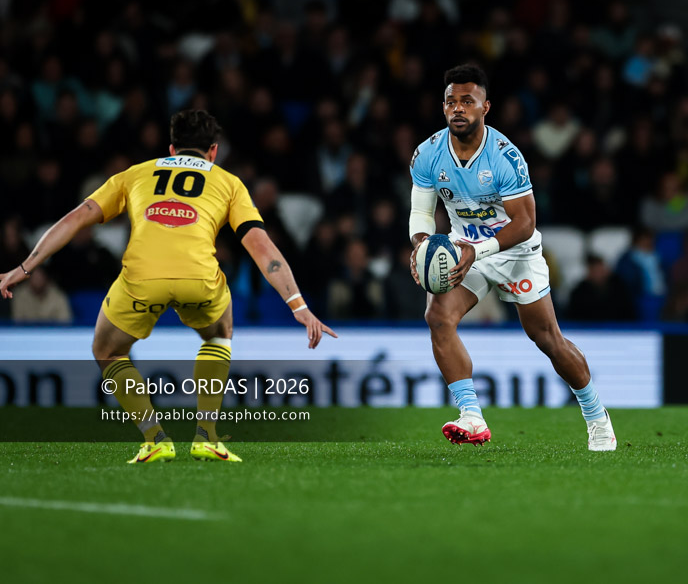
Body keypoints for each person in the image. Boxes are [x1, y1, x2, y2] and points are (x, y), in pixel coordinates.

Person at [0, 110, 336, 464]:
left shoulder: (135, 174)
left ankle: (155, 438)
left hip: (141, 280)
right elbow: (262, 248)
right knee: (219, 333)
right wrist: (298, 305)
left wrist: (25, 266)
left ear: (172, 148)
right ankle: (206, 437)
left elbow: (76, 218)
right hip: (198, 279)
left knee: (107, 351)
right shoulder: (229, 182)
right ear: (213, 151)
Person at [408, 64, 617, 451]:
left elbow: (524, 223)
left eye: (467, 101)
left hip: (514, 252)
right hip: (462, 248)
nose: (458, 108)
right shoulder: (427, 154)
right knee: (438, 317)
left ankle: (596, 416)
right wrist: (421, 244)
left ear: (486, 107)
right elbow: (421, 212)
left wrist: (477, 250)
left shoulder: (505, 157)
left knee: (547, 339)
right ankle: (471, 416)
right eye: (451, 101)